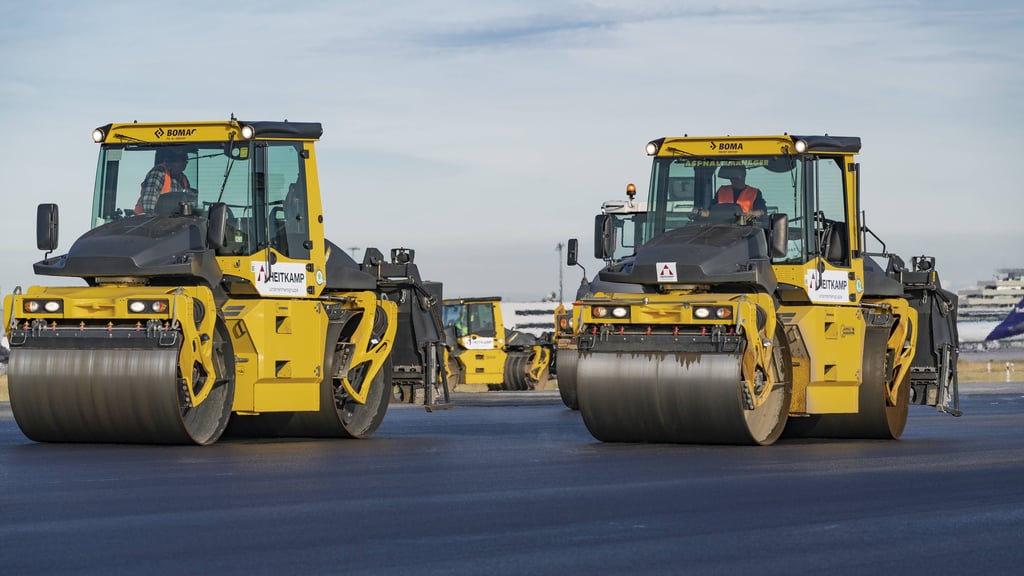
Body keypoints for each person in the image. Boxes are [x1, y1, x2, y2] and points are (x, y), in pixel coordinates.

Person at [692, 165, 767, 219]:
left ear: (744, 175)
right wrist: (699, 212)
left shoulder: (754, 193)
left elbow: (762, 212)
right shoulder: (721, 191)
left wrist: (751, 214)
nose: (734, 180)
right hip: (721, 231)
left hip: (746, 232)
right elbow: (710, 213)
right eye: (732, 177)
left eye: (736, 177)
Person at [135, 149, 194, 214]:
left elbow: (187, 203)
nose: (184, 164)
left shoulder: (183, 179)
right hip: (146, 222)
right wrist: (151, 220)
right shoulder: (159, 172)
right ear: (171, 161)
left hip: (172, 221)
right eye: (181, 160)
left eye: (185, 161)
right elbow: (149, 200)